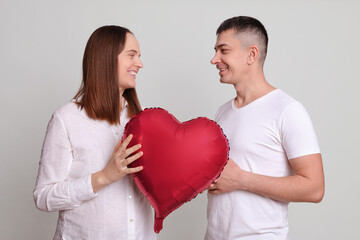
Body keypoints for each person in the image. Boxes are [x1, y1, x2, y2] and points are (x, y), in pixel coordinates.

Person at [205, 16, 325, 240]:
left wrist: (241, 179)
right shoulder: (222, 113)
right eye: (215, 50)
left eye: (223, 50)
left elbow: (315, 188)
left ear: (252, 54)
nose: (214, 59)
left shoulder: (288, 110)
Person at [33, 25, 157, 240]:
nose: (140, 63)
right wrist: (103, 177)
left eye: (139, 56)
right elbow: (43, 197)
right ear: (107, 58)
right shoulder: (67, 118)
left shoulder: (141, 120)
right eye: (132, 55)